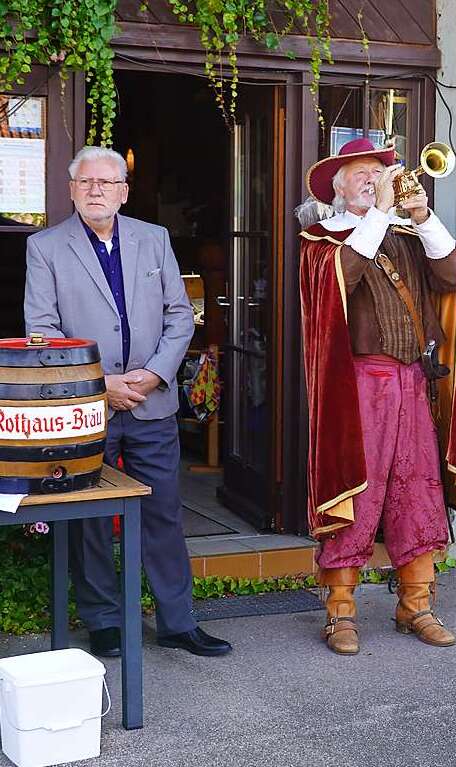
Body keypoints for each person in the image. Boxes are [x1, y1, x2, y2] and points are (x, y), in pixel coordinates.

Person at [24, 146, 231, 658]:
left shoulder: (154, 239)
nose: (96, 190)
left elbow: (180, 316)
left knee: (162, 511)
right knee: (90, 518)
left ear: (123, 191)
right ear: (72, 190)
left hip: (151, 401)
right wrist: (102, 384)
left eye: (107, 182)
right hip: (86, 407)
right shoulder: (45, 248)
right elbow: (42, 333)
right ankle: (104, 622)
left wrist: (154, 373)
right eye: (87, 182)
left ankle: (178, 622)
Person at [298, 137, 456, 655]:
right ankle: (340, 612)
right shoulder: (322, 240)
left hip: (411, 383)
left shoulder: (403, 236)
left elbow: (452, 276)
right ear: (338, 189)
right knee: (356, 493)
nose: (373, 180)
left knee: (418, 487)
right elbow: (343, 277)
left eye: (377, 172)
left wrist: (423, 215)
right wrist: (380, 213)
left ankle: (416, 604)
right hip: (357, 388)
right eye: (361, 174)